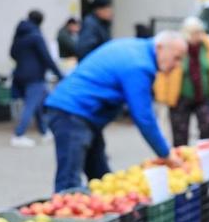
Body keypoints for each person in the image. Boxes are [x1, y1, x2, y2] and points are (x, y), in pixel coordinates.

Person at [45, 31, 187, 192]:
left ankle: (104, 211)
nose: (177, 65)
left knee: (102, 177)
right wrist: (165, 154)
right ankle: (66, 212)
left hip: (82, 114)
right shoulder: (140, 65)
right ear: (160, 48)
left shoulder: (136, 49)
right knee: (69, 182)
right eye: (177, 58)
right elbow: (144, 117)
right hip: (72, 112)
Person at [154, 17, 209, 147]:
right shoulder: (177, 47)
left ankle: (204, 159)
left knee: (208, 127)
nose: (198, 36)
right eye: (194, 33)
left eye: (199, 32)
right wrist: (162, 96)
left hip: (205, 96)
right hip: (180, 97)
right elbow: (163, 71)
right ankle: (182, 162)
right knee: (180, 134)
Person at [9, 10, 63, 148]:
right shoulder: (36, 36)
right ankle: (18, 135)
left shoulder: (20, 34)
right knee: (31, 105)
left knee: (38, 103)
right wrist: (60, 74)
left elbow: (12, 53)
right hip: (35, 76)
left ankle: (45, 132)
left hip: (20, 74)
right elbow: (46, 57)